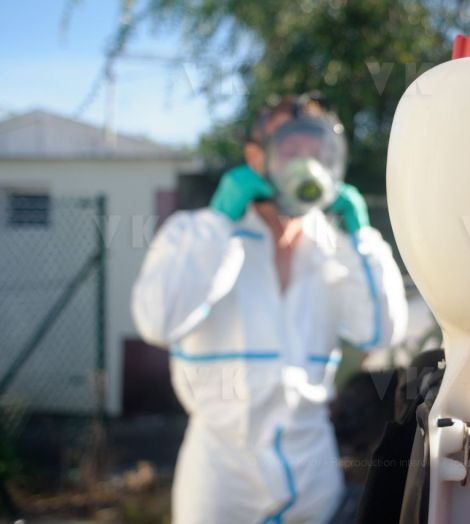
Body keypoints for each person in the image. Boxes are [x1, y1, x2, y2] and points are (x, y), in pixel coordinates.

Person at [131, 94, 408, 524]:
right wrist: (219, 224)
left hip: (312, 476)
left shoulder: (338, 248)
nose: (306, 162)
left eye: (317, 152)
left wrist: (362, 238)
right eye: (291, 149)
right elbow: (156, 320)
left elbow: (382, 332)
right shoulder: (195, 233)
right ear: (255, 157)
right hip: (221, 479)